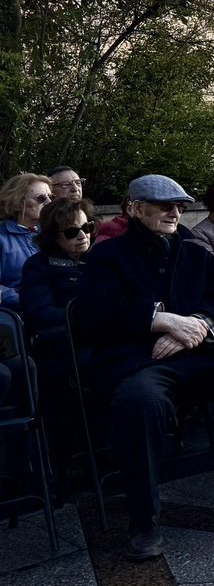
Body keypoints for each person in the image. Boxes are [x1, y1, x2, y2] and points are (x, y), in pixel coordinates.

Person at [77, 174, 214, 561]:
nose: (175, 212)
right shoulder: (107, 256)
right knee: (140, 401)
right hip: (145, 360)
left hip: (204, 355)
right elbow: (94, 314)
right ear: (134, 208)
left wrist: (200, 325)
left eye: (179, 205)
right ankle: (143, 519)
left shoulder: (195, 252)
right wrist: (158, 320)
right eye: (164, 205)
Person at [21, 198, 95, 469]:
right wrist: (85, 317)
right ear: (53, 236)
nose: (83, 236)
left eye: (87, 227)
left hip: (105, 341)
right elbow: (40, 313)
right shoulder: (38, 266)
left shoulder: (101, 259)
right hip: (67, 348)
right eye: (72, 232)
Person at [1, 173, 53, 306]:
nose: (49, 202)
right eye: (41, 198)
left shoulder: (55, 232)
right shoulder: (2, 238)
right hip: (20, 314)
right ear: (18, 203)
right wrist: (26, 300)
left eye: (51, 197)